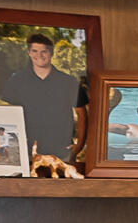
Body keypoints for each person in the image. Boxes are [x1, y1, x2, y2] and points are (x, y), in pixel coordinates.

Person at [7, 33, 85, 162]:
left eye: (44, 51)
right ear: (29, 53)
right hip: (27, 153)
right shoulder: (17, 81)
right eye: (35, 51)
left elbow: (82, 114)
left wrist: (79, 146)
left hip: (61, 153)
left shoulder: (69, 82)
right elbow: (10, 115)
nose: (39, 55)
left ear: (51, 53)